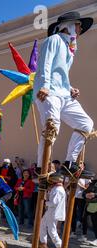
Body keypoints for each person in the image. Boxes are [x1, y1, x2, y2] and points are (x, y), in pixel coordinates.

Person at [34, 12, 95, 179]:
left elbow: (60, 75)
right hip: (49, 92)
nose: (80, 29)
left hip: (63, 94)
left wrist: (70, 89)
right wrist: (45, 86)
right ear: (69, 25)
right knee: (52, 126)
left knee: (86, 124)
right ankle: (41, 166)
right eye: (78, 25)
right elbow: (45, 64)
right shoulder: (53, 40)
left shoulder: (70, 49)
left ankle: (69, 163)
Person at [39, 173, 66, 248]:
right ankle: (43, 243)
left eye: (52, 179)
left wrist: (45, 203)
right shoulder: (56, 188)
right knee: (42, 224)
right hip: (51, 211)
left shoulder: (58, 189)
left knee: (52, 230)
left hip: (53, 212)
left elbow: (54, 203)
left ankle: (60, 247)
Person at [80, 179, 97, 246]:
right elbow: (85, 192)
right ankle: (84, 236)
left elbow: (94, 194)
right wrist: (86, 195)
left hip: (95, 204)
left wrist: (94, 194)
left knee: (95, 222)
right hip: (89, 204)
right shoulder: (93, 182)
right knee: (85, 219)